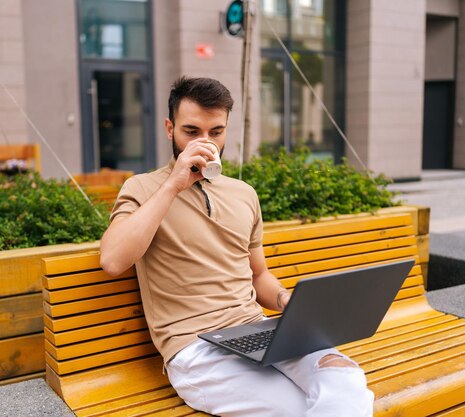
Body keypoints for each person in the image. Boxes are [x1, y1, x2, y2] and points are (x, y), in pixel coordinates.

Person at [100, 76, 374, 417]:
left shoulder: (243, 193)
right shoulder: (143, 189)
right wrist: (174, 184)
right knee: (299, 409)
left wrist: (287, 301)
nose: (205, 141)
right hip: (195, 350)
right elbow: (112, 260)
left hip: (258, 330)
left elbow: (259, 276)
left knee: (345, 379)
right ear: (169, 128)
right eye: (191, 131)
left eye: (216, 132)